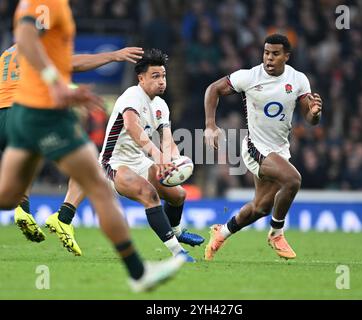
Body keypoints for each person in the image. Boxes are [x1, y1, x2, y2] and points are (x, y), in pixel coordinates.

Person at [0, 0, 185, 292]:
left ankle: (68, 222)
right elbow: (34, 44)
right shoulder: (46, 4)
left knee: (8, 196)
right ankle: (138, 273)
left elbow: (58, 59)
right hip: (40, 111)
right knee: (97, 183)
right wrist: (57, 83)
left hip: (16, 111)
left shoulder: (30, 10)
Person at [0, 44, 145, 255]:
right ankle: (64, 218)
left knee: (31, 153)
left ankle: (23, 207)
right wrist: (113, 55)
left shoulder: (7, 54)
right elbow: (75, 63)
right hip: (24, 114)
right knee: (87, 162)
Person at [203, 34, 322, 260]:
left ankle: (221, 232)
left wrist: (315, 114)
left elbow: (309, 117)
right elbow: (213, 89)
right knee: (293, 180)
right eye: (266, 53)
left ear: (286, 56)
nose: (269, 58)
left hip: (279, 149)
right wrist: (210, 124)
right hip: (255, 148)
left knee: (261, 207)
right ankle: (277, 233)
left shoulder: (298, 80)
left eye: (275, 54)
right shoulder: (248, 77)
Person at [97, 48, 204, 262]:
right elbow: (131, 126)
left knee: (178, 195)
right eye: (155, 76)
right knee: (149, 194)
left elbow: (167, 139)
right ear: (141, 78)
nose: (162, 81)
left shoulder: (160, 105)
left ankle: (177, 232)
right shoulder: (132, 95)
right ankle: (178, 252)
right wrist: (157, 156)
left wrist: (174, 160)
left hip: (139, 161)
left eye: (163, 75)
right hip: (114, 163)